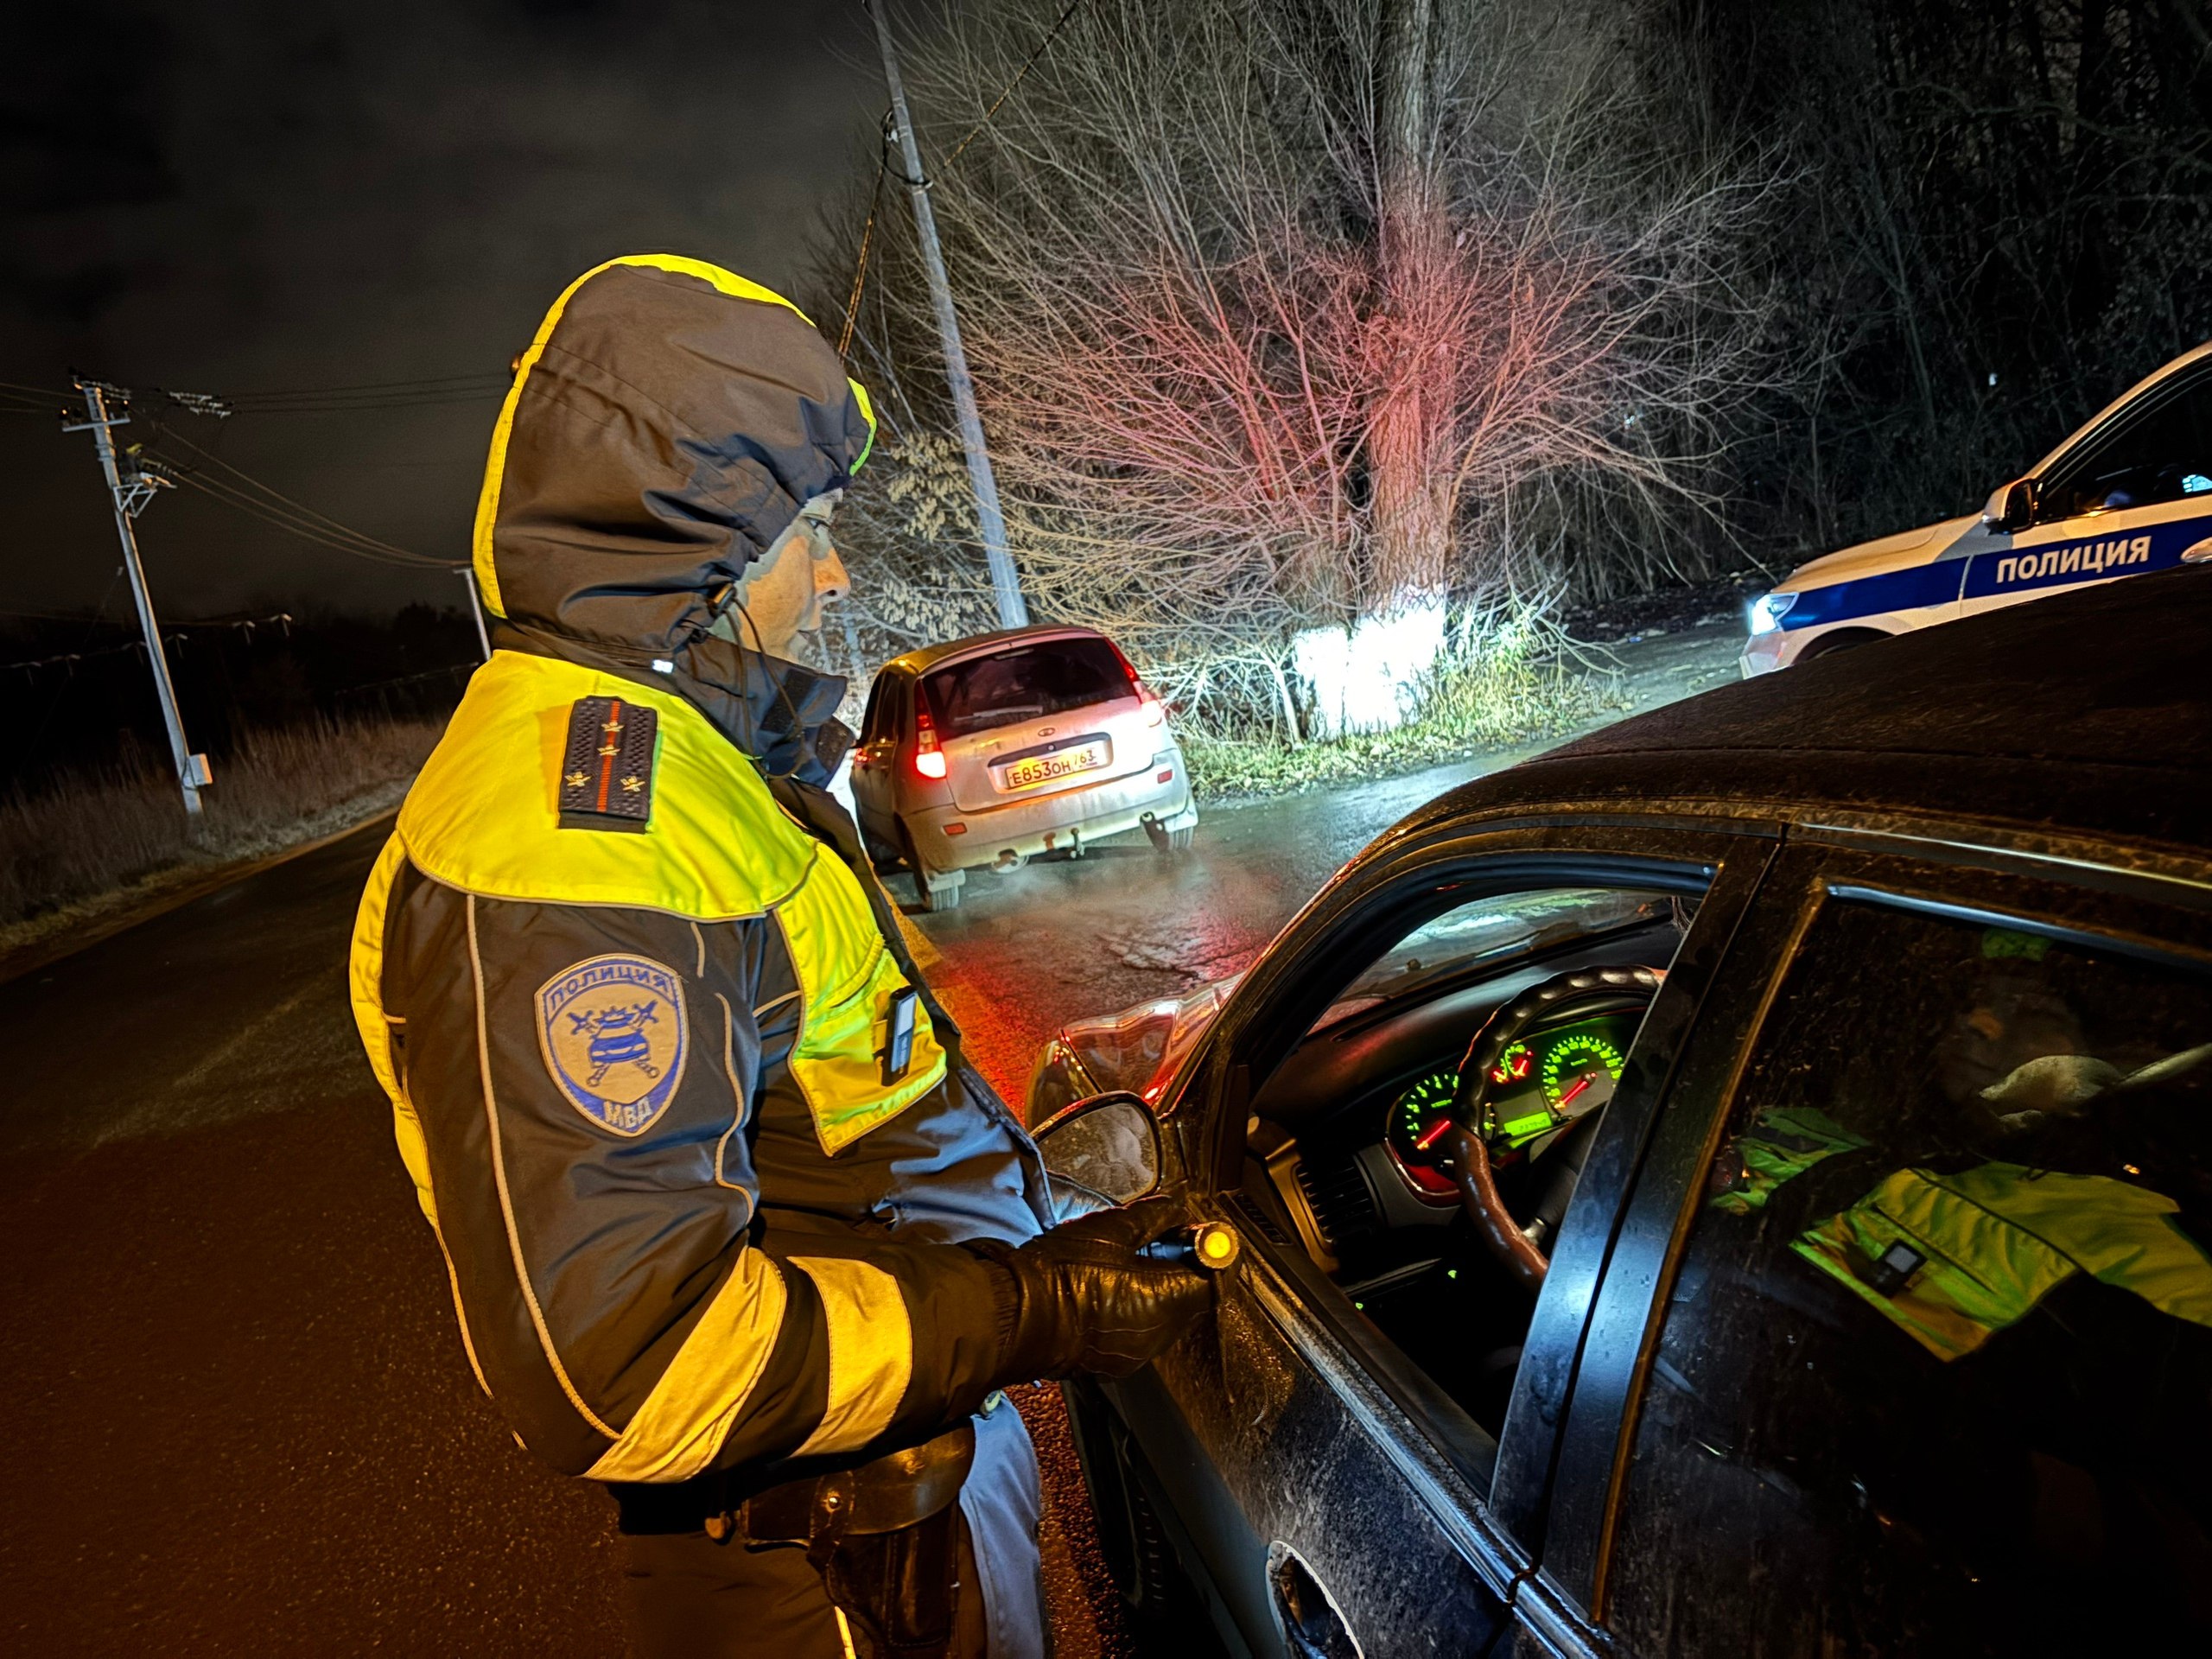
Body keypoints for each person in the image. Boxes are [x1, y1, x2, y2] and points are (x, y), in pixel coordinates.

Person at [347, 254, 1210, 1658]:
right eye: (810, 526)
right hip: (833, 1571)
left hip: (883, 1514)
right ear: (703, 546)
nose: (835, 565)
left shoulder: (666, 760)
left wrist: (1033, 1213)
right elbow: (632, 1365)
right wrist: (1029, 1311)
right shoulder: (576, 835)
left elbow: (830, 1121)